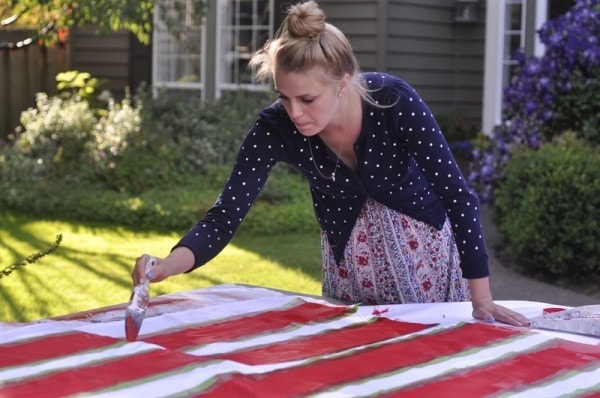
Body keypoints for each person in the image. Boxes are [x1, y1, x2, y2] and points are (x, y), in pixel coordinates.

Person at [132, 0, 530, 327]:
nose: (294, 112)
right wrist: (169, 265)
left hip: (423, 261)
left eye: (307, 100)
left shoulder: (394, 102)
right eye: (284, 97)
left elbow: (457, 196)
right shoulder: (275, 128)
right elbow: (224, 216)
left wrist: (482, 298)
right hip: (351, 270)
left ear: (343, 81)